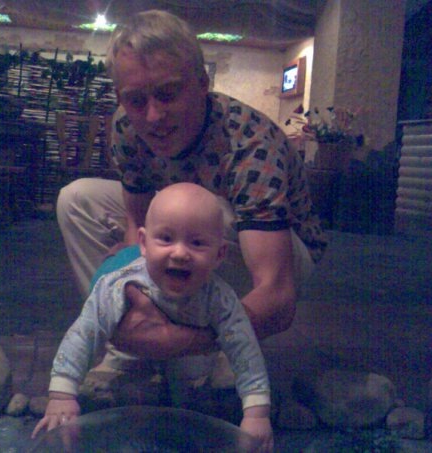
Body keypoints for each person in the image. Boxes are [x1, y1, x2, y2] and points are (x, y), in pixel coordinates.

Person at [56, 9, 327, 378]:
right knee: (77, 199)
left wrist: (182, 341)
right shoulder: (126, 126)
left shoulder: (250, 145)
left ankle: (205, 346)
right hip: (194, 234)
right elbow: (137, 222)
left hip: (283, 254)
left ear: (202, 84)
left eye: (168, 94)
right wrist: (131, 290)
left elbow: (278, 296)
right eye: (136, 100)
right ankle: (130, 340)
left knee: (202, 211)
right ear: (121, 97)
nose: (153, 116)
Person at [33, 183, 274, 452]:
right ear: (144, 243)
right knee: (125, 389)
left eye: (197, 243)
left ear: (220, 254)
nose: (180, 253)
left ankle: (197, 387)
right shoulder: (119, 286)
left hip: (191, 353)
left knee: (195, 392)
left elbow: (244, 349)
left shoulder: (220, 299)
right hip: (132, 349)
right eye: (166, 239)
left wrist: (257, 413)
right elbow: (84, 333)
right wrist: (62, 394)